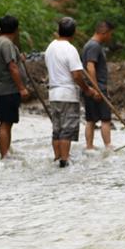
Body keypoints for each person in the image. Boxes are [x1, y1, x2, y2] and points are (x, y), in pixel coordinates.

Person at [44, 17, 100, 167]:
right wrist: (87, 90)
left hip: (54, 94)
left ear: (59, 30)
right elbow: (76, 75)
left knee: (57, 129)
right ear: (73, 33)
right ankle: (64, 160)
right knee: (67, 130)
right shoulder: (70, 49)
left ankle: (57, 158)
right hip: (67, 94)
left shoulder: (50, 47)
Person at [0, 15, 31, 158]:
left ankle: (6, 152)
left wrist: (20, 58)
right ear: (16, 29)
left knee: (6, 123)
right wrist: (22, 88)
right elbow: (12, 67)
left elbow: (13, 62)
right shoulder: (6, 44)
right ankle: (5, 155)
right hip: (8, 89)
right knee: (5, 123)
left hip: (3, 89)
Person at [80, 20, 115, 150]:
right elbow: (90, 67)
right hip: (96, 87)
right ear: (104, 32)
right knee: (105, 118)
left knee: (91, 119)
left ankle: (89, 146)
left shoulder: (90, 45)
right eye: (110, 34)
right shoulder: (94, 46)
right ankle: (108, 146)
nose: (110, 37)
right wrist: (97, 89)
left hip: (90, 88)